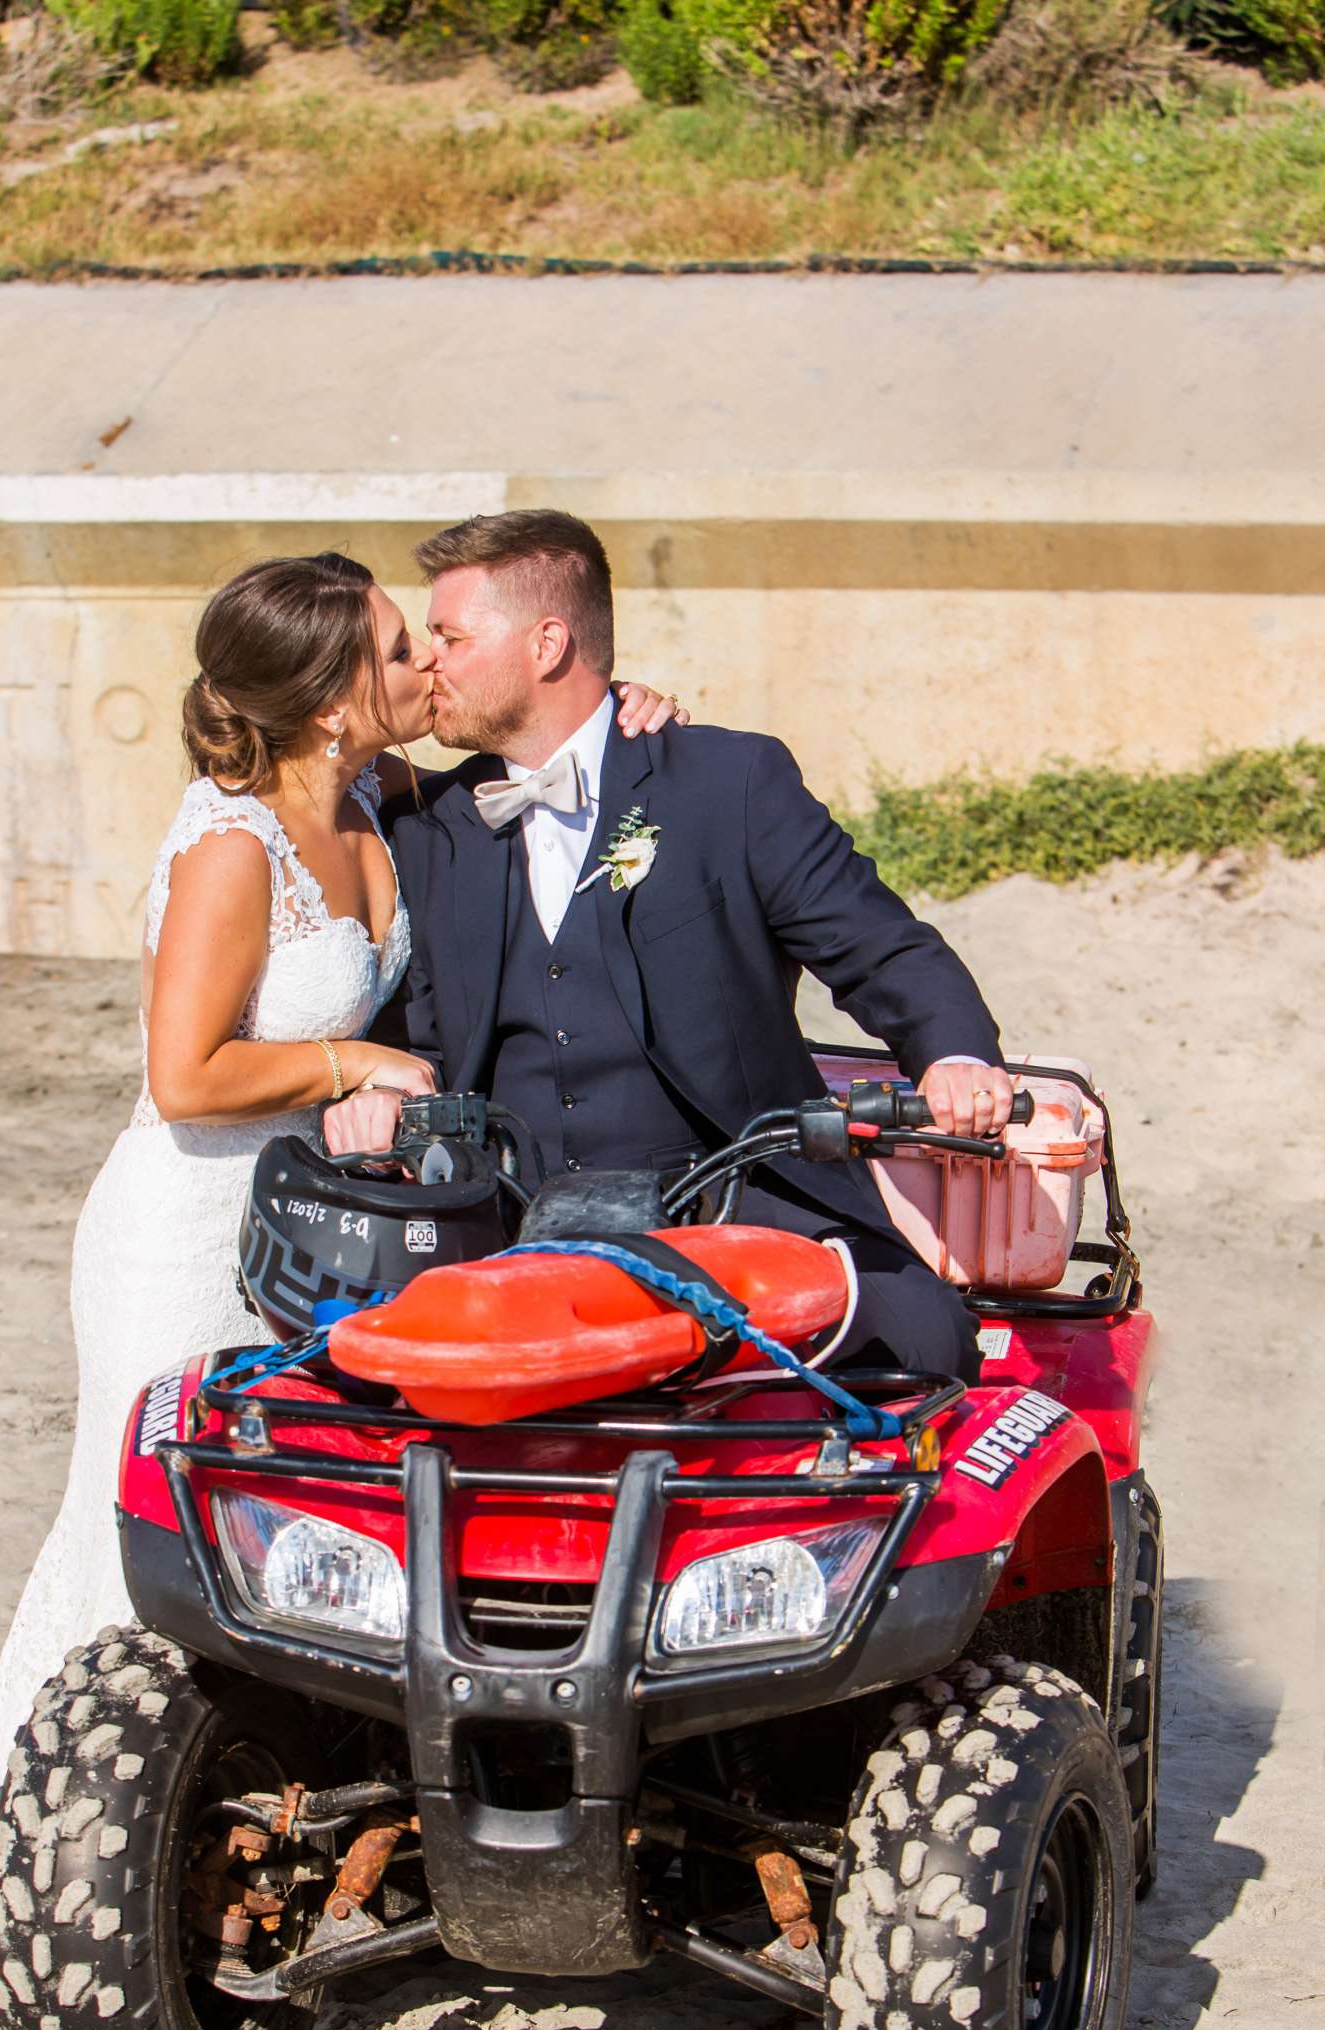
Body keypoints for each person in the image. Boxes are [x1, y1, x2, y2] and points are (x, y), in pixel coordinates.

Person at [0, 542, 688, 2030]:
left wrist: (618, 716)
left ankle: (198, 1828)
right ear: (323, 702)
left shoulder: (379, 805)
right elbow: (184, 1075)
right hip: (179, 1235)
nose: (421, 665)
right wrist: (347, 1062)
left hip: (309, 1242)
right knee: (129, 1541)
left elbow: (537, 789)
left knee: (266, 1525)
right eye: (391, 646)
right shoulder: (235, 845)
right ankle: (52, 1854)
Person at [326, 509, 1014, 1385]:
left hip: (739, 1206)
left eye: (450, 637)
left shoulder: (729, 784)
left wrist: (954, 1055)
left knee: (925, 1345)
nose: (430, 660)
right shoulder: (431, 829)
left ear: (546, 645)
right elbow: (409, 1041)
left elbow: (882, 949)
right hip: (509, 1232)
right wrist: (377, 1094)